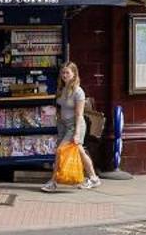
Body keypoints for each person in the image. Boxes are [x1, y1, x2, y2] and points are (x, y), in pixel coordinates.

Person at [42, 62, 102, 192]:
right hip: (63, 125)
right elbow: (60, 107)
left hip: (74, 126)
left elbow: (80, 115)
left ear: (74, 74)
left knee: (60, 151)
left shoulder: (78, 92)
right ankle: (93, 178)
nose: (64, 75)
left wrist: (76, 133)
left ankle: (53, 181)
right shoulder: (62, 88)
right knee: (80, 151)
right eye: (63, 72)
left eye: (67, 72)